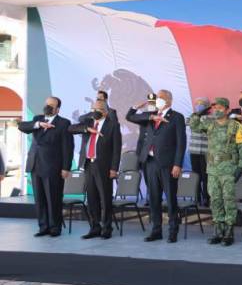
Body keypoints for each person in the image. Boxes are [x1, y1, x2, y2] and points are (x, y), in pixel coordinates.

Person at [190, 97, 242, 246]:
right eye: (215, 108)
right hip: (212, 169)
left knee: (228, 199)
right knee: (215, 199)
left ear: (227, 110)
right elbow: (193, 126)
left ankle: (229, 231)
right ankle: (218, 229)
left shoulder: (235, 126)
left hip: (229, 169)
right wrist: (199, 112)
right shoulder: (209, 124)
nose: (217, 110)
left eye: (220, 108)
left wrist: (241, 167)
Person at [18, 97, 74, 237]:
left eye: (51, 105)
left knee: (53, 198)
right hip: (35, 164)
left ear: (57, 109)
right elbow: (22, 126)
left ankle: (55, 227)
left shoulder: (63, 123)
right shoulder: (38, 119)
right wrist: (38, 125)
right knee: (40, 199)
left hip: (53, 167)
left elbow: (68, 147)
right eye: (47, 104)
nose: (48, 107)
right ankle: (43, 227)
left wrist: (66, 167)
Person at [136, 90, 187, 243]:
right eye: (157, 97)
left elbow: (181, 143)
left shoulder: (177, 117)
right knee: (154, 198)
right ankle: (156, 229)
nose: (158, 100)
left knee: (171, 199)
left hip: (168, 164)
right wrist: (135, 107)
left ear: (169, 101)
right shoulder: (151, 116)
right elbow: (130, 117)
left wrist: (177, 164)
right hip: (151, 163)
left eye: (162, 98)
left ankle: (173, 230)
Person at [68, 100, 122, 239]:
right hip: (88, 165)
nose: (94, 112)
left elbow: (117, 149)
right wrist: (87, 129)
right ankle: (94, 227)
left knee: (105, 198)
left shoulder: (113, 125)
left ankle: (107, 228)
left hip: (104, 166)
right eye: (93, 109)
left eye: (97, 109)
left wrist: (114, 168)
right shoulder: (88, 122)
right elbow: (70, 128)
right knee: (91, 198)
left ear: (105, 111)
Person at [126, 93, 157, 206]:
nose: (151, 104)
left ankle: (156, 197)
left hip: (157, 152)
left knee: (157, 178)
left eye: (153, 101)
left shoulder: (161, 115)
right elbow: (129, 117)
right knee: (147, 177)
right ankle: (150, 197)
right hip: (144, 152)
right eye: (150, 101)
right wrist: (135, 108)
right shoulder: (144, 115)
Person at [187, 97, 211, 206]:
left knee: (206, 176)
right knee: (196, 175)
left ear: (207, 106)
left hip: (206, 152)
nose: (199, 105)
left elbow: (203, 126)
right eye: (197, 104)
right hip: (194, 151)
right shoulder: (193, 116)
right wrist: (197, 116)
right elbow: (187, 122)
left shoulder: (211, 118)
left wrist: (200, 118)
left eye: (202, 104)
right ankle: (197, 197)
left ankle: (206, 198)